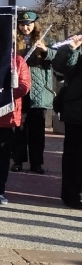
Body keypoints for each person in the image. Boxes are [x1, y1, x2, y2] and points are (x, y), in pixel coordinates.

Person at [14, 11, 55, 174]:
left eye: (29, 24)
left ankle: (37, 163)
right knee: (19, 128)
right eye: (22, 24)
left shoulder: (46, 40)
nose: (25, 28)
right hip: (19, 90)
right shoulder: (13, 42)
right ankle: (17, 160)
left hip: (39, 91)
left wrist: (45, 50)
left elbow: (56, 59)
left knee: (37, 131)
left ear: (35, 25)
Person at [0, 53, 31, 205]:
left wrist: (0, 94)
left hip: (6, 115)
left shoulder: (18, 60)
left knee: (1, 158)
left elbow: (24, 86)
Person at [52, 35, 82, 209]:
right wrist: (71, 49)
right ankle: (71, 195)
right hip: (76, 112)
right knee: (74, 156)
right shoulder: (75, 43)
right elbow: (61, 68)